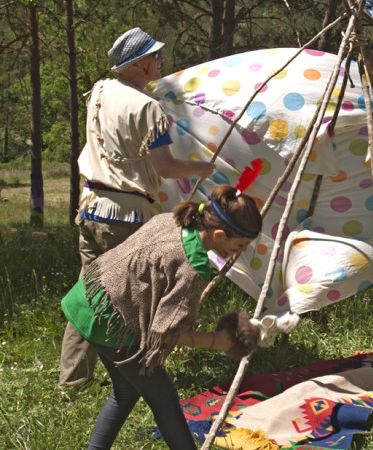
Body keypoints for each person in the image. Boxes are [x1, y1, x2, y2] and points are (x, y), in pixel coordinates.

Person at [59, 27, 215, 388]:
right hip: (125, 217)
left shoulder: (99, 91)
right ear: (143, 64)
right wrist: (201, 167)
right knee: (132, 300)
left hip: (92, 208)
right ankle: (134, 377)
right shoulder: (148, 108)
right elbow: (166, 168)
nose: (161, 62)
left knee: (90, 292)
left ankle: (72, 381)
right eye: (157, 57)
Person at [61, 184, 262, 449]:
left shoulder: (171, 219)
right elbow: (164, 335)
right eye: (239, 245)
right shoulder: (193, 268)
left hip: (87, 296)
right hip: (109, 321)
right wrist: (219, 341)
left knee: (126, 391)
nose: (239, 252)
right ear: (219, 233)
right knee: (164, 397)